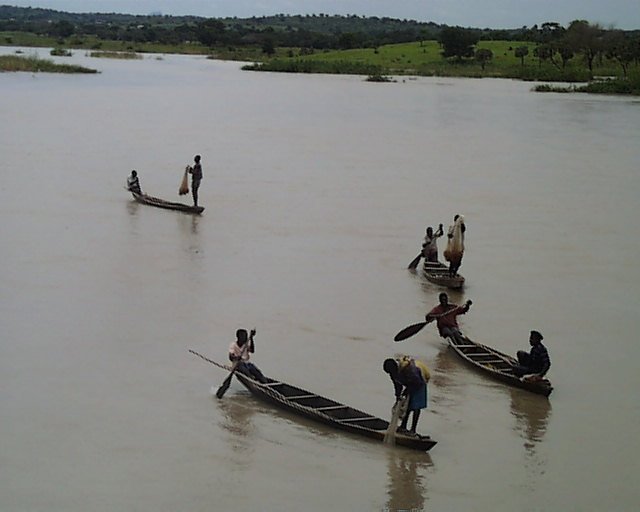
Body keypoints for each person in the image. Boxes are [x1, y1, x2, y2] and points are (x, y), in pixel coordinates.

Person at [383, 356, 430, 436]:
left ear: (395, 368)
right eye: (390, 373)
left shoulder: (410, 369)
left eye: (391, 372)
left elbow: (417, 382)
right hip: (411, 382)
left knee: (416, 406)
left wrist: (407, 391)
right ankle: (403, 426)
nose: (391, 374)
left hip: (420, 380)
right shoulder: (393, 372)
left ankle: (413, 430)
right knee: (406, 405)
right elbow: (397, 385)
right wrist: (398, 396)